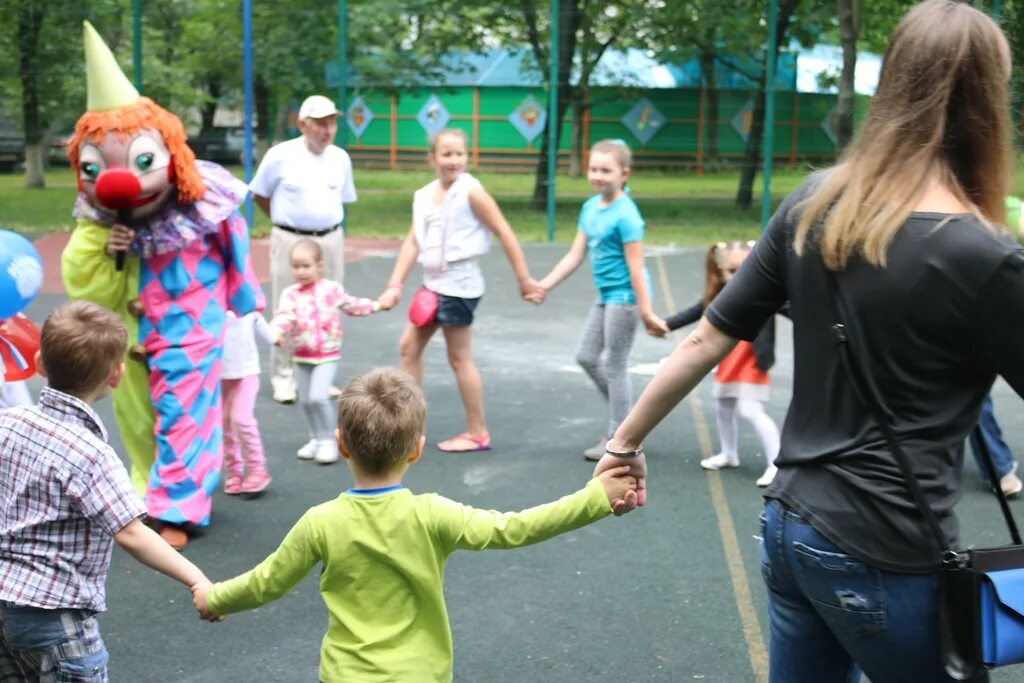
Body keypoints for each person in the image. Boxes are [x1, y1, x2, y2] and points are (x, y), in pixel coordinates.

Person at [594, 3, 1019, 680]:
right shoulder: (985, 255)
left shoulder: (816, 202)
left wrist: (624, 443)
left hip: (791, 529)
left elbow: (705, 337)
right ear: (987, 103)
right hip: (887, 548)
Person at [192, 367, 635, 682]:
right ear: (417, 450)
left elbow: (266, 581)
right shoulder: (432, 513)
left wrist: (215, 596)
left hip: (347, 675)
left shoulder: (320, 522)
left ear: (342, 445)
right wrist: (594, 498)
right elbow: (514, 528)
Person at [61, 22, 264, 550]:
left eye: (142, 161)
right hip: (131, 331)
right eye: (94, 167)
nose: (119, 180)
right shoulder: (98, 217)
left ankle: (181, 507)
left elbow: (234, 241)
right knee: (134, 414)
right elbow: (79, 276)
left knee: (183, 409)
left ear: (167, 151)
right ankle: (149, 489)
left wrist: (242, 294)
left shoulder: (203, 196)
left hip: (189, 319)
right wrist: (110, 250)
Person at [0, 301, 213, 681]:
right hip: (55, 616)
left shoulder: (10, 422)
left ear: (39, 362)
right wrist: (196, 578)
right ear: (116, 375)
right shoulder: (92, 454)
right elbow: (131, 532)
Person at [377, 128, 540, 453]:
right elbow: (413, 241)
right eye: (446, 154)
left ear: (467, 156)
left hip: (459, 286)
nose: (453, 160)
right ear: (432, 158)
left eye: (459, 154)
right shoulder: (424, 195)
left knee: (459, 357)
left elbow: (503, 231)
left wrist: (524, 280)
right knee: (409, 348)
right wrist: (394, 285)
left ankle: (477, 432)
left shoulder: (471, 192)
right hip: (433, 285)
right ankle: (409, 429)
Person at [534, 139, 668, 460]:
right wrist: (545, 285)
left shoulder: (627, 215)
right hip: (606, 295)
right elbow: (575, 253)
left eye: (606, 170)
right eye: (593, 169)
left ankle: (619, 438)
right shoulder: (590, 207)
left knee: (615, 365)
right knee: (586, 355)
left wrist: (646, 311)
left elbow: (636, 267)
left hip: (625, 297)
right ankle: (630, 419)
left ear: (624, 173)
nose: (598, 175)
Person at [251, 94, 356, 406]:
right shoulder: (280, 155)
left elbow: (343, 199)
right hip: (291, 240)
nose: (328, 130)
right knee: (288, 309)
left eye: (332, 122)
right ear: (303, 124)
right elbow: (259, 194)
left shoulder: (340, 158)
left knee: (327, 307)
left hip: (330, 240)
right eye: (321, 123)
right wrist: (285, 224)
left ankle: (320, 375)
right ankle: (284, 377)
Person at [666, 241, 782, 487]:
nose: (738, 277)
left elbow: (795, 306)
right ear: (720, 270)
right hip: (728, 362)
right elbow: (696, 311)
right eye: (731, 271)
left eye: (744, 270)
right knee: (723, 407)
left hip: (751, 362)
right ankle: (729, 454)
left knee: (751, 411)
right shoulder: (721, 296)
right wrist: (665, 325)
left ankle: (776, 464)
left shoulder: (764, 294)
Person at [269, 240, 381, 465]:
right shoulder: (290, 294)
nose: (300, 271)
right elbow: (284, 316)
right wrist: (276, 332)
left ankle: (329, 439)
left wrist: (378, 305)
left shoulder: (331, 290)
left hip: (327, 354)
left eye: (305, 266)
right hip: (301, 353)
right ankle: (315, 438)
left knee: (319, 397)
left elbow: (351, 305)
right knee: (307, 401)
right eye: (295, 266)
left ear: (319, 265)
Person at [221, 311, 275, 495]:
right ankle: (234, 470)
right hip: (218, 376)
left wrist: (279, 336)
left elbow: (270, 336)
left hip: (246, 374)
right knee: (225, 423)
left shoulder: (249, 310)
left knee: (242, 420)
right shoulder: (211, 305)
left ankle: (257, 469)